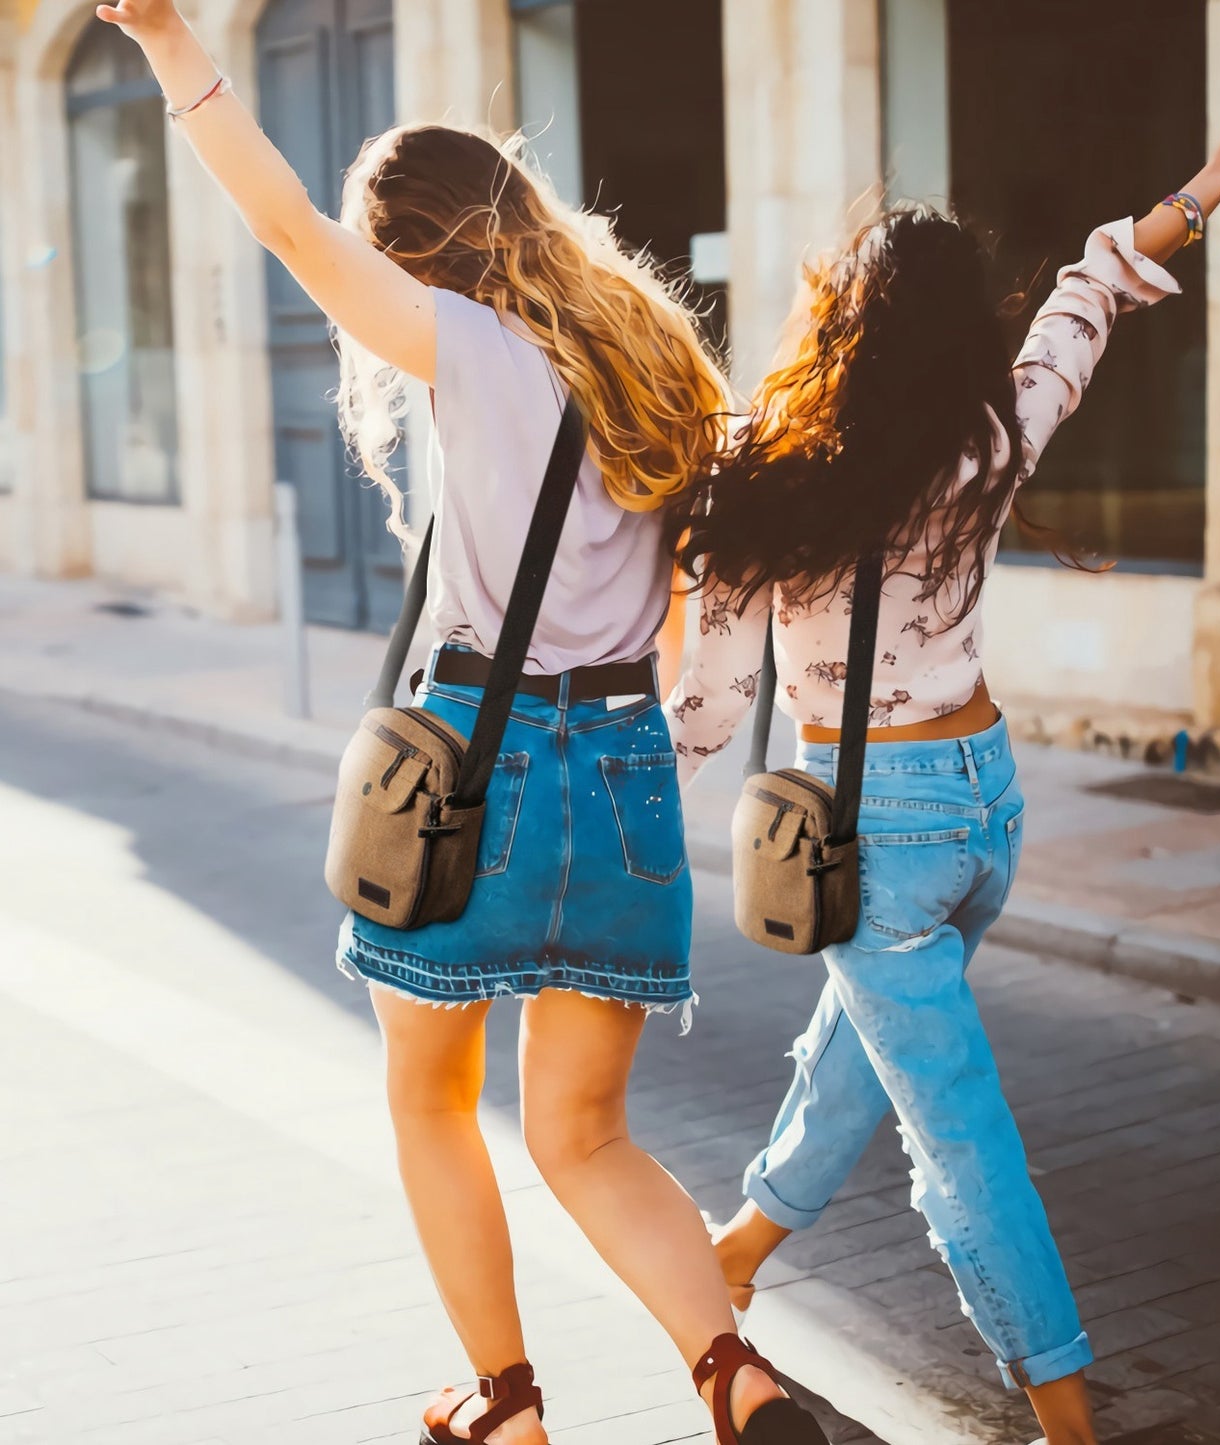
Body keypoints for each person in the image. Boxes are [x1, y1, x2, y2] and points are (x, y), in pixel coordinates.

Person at [96, 5, 832, 1444]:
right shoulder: (654, 354)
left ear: (414, 255)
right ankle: (729, 1372)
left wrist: (175, 43)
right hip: (620, 767)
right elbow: (690, 603)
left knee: (434, 1102)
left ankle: (506, 1406)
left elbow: (290, 228)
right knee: (588, 1133)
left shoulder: (466, 346)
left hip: (477, 773)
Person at [666, 82, 1220, 1445]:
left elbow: (708, 704)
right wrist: (1201, 189)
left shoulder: (763, 478)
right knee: (870, 1046)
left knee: (954, 1132)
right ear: (962, 331)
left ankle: (1063, 1412)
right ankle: (733, 1253)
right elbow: (1086, 295)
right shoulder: (992, 435)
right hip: (981, 810)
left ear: (837, 321)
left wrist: (626, 830)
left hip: (864, 834)